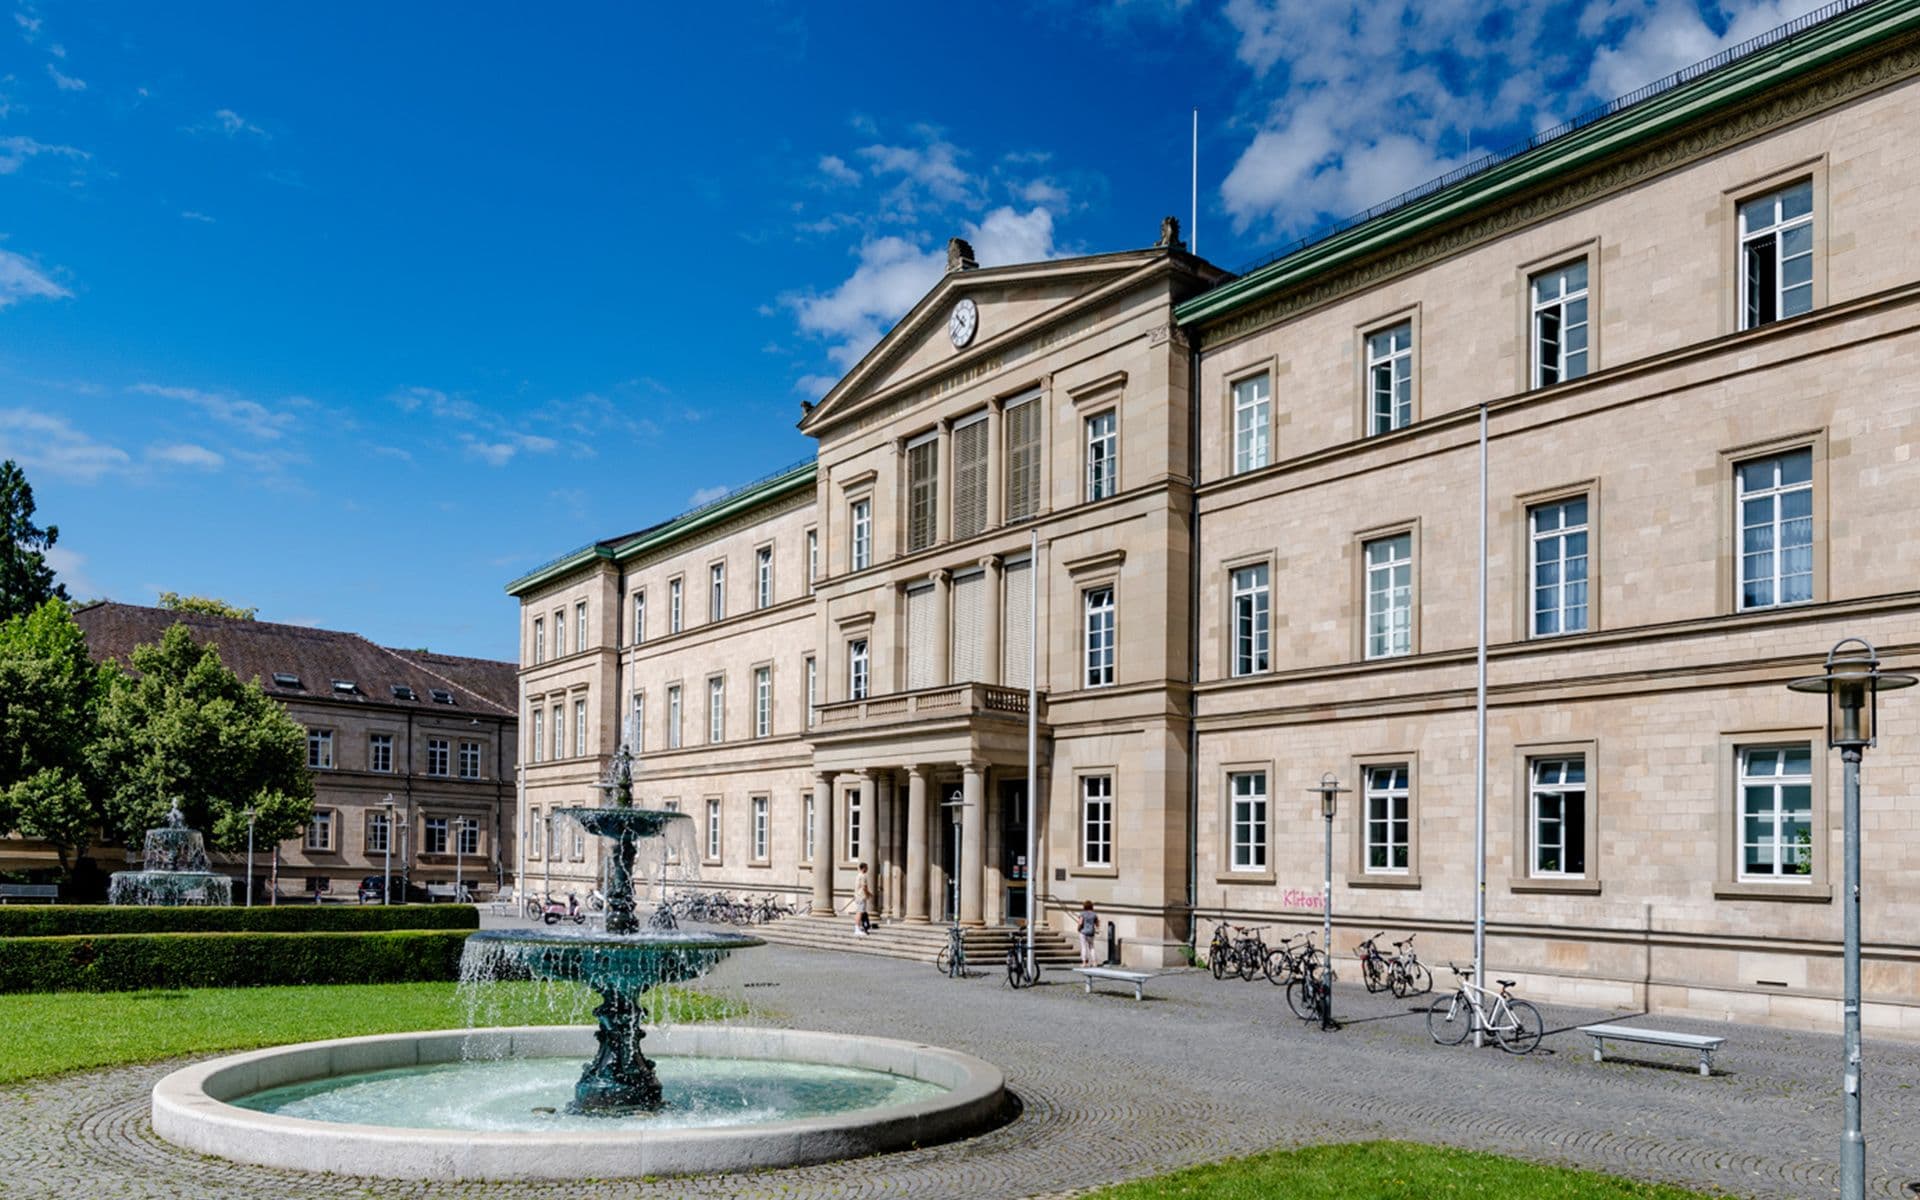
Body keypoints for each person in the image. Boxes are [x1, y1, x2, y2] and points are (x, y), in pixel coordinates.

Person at [849, 863, 872, 936]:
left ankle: (858, 928)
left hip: (858, 896)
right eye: (867, 867)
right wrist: (869, 894)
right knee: (860, 912)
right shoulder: (863, 876)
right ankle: (857, 929)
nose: (867, 869)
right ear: (864, 868)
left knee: (859, 912)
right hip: (861, 897)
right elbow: (864, 887)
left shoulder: (858, 875)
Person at [1075, 899, 1100, 966]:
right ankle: (1094, 962)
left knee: (1083, 947)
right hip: (1091, 932)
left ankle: (1084, 962)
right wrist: (1097, 929)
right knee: (1092, 947)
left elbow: (1080, 923)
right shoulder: (1094, 914)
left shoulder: (1082, 914)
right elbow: (1097, 924)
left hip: (1083, 932)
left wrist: (1078, 928)